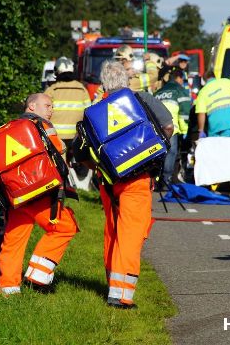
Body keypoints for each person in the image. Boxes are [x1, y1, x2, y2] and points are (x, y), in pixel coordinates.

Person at [91, 60, 173, 309]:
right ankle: (121, 294)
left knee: (113, 230)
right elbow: (168, 126)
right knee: (131, 234)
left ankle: (111, 281)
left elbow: (81, 149)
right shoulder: (143, 100)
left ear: (104, 83)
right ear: (126, 81)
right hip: (137, 179)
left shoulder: (96, 109)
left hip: (108, 181)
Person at [0, 93, 79, 296]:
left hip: (15, 195)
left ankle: (8, 287)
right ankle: (38, 275)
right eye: (48, 105)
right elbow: (58, 151)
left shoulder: (7, 128)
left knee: (14, 239)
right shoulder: (44, 126)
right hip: (40, 193)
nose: (51, 110)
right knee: (65, 227)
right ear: (32, 106)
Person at [45, 56, 91, 154]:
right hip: (77, 135)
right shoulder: (82, 89)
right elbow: (89, 111)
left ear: (56, 72)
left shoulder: (52, 90)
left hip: (56, 135)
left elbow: (43, 113)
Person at [154, 69, 191, 187]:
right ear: (179, 78)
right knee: (171, 152)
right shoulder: (179, 90)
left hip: (156, 129)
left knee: (160, 154)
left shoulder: (158, 92)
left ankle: (158, 179)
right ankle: (167, 179)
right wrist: (185, 130)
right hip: (170, 128)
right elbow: (184, 111)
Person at [195, 70, 230, 138]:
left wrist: (201, 130)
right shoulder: (226, 82)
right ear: (214, 76)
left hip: (214, 126)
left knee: (217, 148)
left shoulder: (202, 92)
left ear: (204, 80)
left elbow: (201, 113)